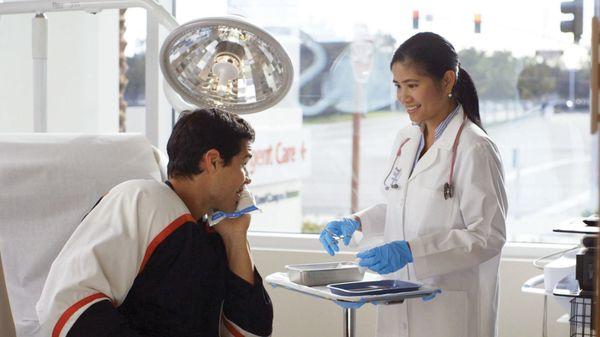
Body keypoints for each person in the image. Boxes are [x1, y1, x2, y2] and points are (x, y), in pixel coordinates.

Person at [319, 32, 507, 337]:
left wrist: (412, 251)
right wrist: (357, 222)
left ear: (447, 81)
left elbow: (488, 236)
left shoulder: (475, 147)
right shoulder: (406, 139)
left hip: (449, 314)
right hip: (399, 304)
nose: (402, 97)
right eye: (397, 86)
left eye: (412, 86)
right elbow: (398, 206)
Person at [36, 108, 273, 337]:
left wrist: (235, 238)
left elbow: (252, 330)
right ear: (212, 161)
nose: (247, 178)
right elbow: (66, 305)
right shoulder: (141, 199)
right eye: (243, 163)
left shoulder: (211, 235)